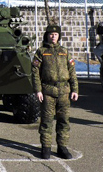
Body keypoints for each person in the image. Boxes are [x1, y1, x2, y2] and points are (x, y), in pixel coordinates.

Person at [31, 25, 78, 160]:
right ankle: (46, 147)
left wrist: (75, 89)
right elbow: (35, 73)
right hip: (48, 91)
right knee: (46, 121)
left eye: (55, 34)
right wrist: (38, 90)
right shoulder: (41, 52)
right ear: (47, 35)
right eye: (51, 34)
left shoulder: (64, 52)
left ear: (59, 36)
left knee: (64, 120)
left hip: (64, 91)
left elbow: (72, 72)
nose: (53, 36)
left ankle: (62, 147)